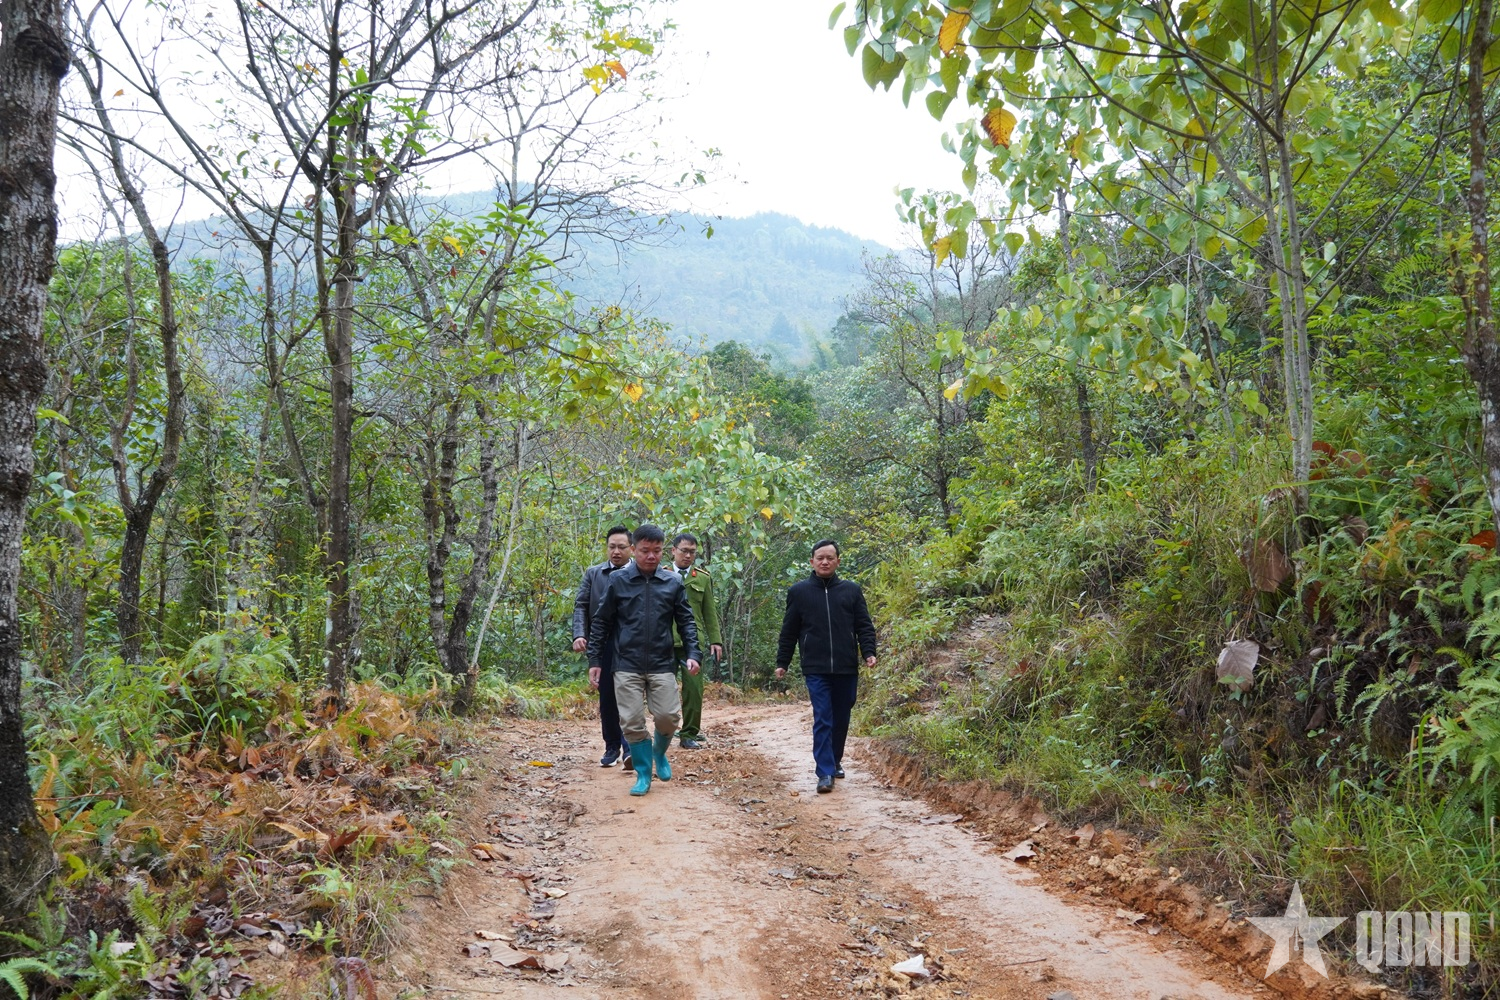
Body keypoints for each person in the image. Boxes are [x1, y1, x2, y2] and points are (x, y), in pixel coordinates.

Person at [588, 523, 701, 796]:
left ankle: (658, 753)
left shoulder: (672, 582)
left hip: (662, 662)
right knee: (631, 721)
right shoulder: (618, 581)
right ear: (634, 549)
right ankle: (642, 773)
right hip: (626, 662)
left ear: (664, 551)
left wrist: (693, 653)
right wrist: (595, 660)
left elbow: (686, 621)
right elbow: (601, 622)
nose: (651, 556)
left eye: (657, 551)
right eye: (645, 550)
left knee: (668, 717)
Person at [774, 539, 877, 794]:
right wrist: (782, 662)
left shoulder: (851, 591)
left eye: (830, 558)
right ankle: (825, 772)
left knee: (841, 717)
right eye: (820, 558)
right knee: (823, 717)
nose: (824, 562)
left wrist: (868, 652)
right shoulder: (799, 592)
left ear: (838, 561)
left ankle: (835, 760)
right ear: (812, 561)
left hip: (846, 666)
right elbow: (789, 631)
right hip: (816, 667)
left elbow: (864, 625)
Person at [573, 525, 634, 767]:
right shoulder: (594, 573)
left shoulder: (640, 573)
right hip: (603, 641)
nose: (616, 551)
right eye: (612, 547)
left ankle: (630, 749)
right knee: (607, 696)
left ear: (631, 548)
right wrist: (579, 634)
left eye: (621, 547)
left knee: (629, 696)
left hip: (632, 643)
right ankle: (612, 746)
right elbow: (581, 605)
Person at [668, 533, 723, 749]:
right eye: (684, 551)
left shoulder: (702, 578)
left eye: (692, 552)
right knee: (662, 690)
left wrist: (715, 640)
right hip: (664, 641)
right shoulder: (661, 574)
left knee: (693, 690)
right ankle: (665, 730)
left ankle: (689, 733)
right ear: (673, 551)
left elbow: (709, 611)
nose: (688, 556)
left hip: (692, 644)